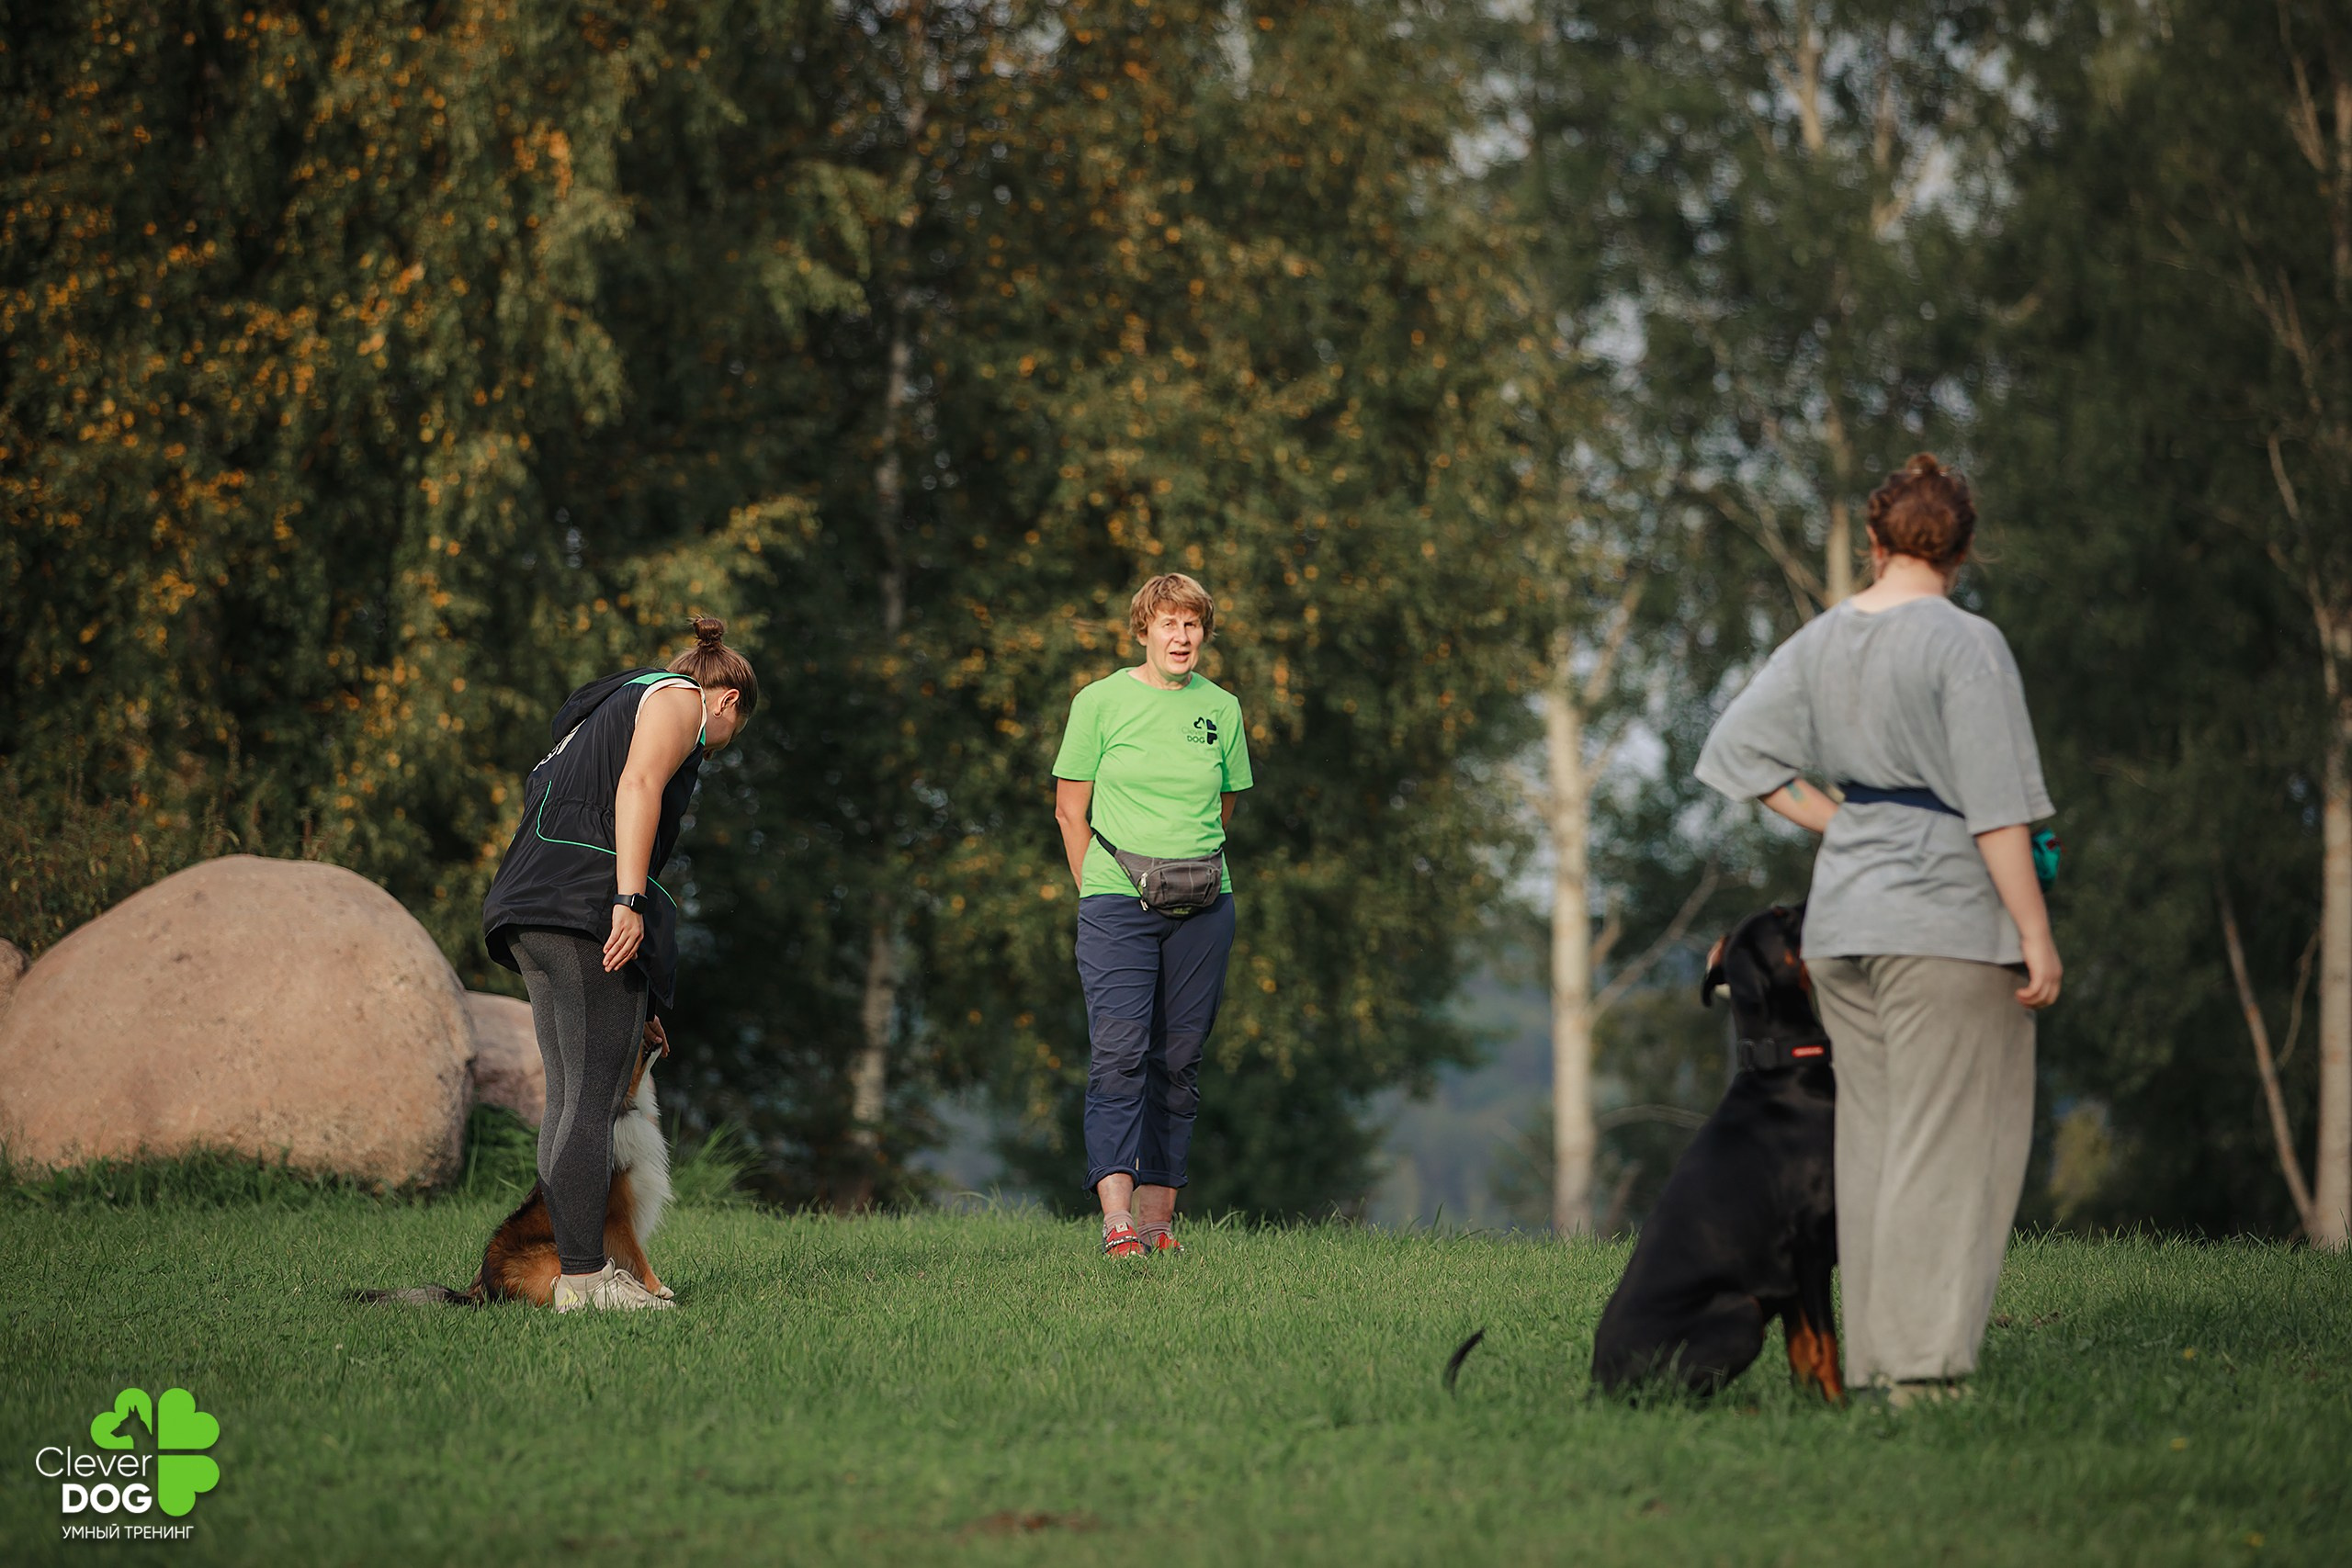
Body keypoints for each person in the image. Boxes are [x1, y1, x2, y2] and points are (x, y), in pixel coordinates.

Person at [1694, 454, 2060, 1404]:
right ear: (1965, 547)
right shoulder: (1966, 643)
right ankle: (1924, 1377)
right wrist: (2033, 928)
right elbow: (1996, 810)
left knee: (1876, 1146)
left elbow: (1737, 755)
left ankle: (1875, 1369)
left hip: (1843, 924)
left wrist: (1846, 822)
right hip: (1942, 922)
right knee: (1950, 1146)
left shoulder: (1822, 640)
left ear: (1875, 539)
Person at [480, 616, 757, 1311]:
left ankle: (583, 1272)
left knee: (571, 1100)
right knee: (596, 1105)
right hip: (583, 907)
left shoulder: (606, 708)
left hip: (529, 907)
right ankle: (586, 1278)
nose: (716, 750)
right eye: (731, 737)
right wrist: (628, 901)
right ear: (727, 702)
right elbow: (638, 788)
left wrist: (646, 1002)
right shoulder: (679, 700)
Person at [1051, 573, 1253, 1257]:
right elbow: (1069, 809)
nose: (1182, 636)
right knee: (1119, 1055)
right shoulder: (1100, 701)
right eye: (1168, 623)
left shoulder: (1222, 708)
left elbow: (1225, 805)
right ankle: (1115, 1223)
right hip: (1115, 900)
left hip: (1205, 903)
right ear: (1143, 630)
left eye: (1192, 624)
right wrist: (1099, 888)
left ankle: (1158, 1221)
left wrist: (1184, 861)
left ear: (1204, 633)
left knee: (1180, 1059)